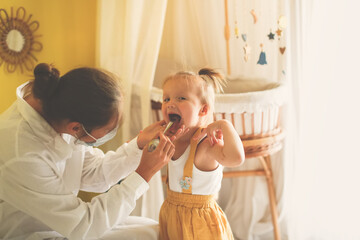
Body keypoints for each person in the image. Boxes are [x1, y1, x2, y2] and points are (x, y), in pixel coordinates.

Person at [0, 63, 187, 239]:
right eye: (107, 131)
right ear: (76, 128)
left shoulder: (63, 110)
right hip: (33, 233)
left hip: (65, 225)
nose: (109, 135)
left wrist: (139, 145)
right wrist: (144, 173)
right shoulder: (22, 154)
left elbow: (94, 174)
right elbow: (84, 226)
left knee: (156, 230)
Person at [158, 68, 245, 240]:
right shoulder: (171, 138)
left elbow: (236, 158)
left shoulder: (205, 145)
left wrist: (225, 125)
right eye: (166, 98)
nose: (170, 103)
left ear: (203, 110)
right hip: (172, 217)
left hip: (200, 225)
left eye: (181, 98)